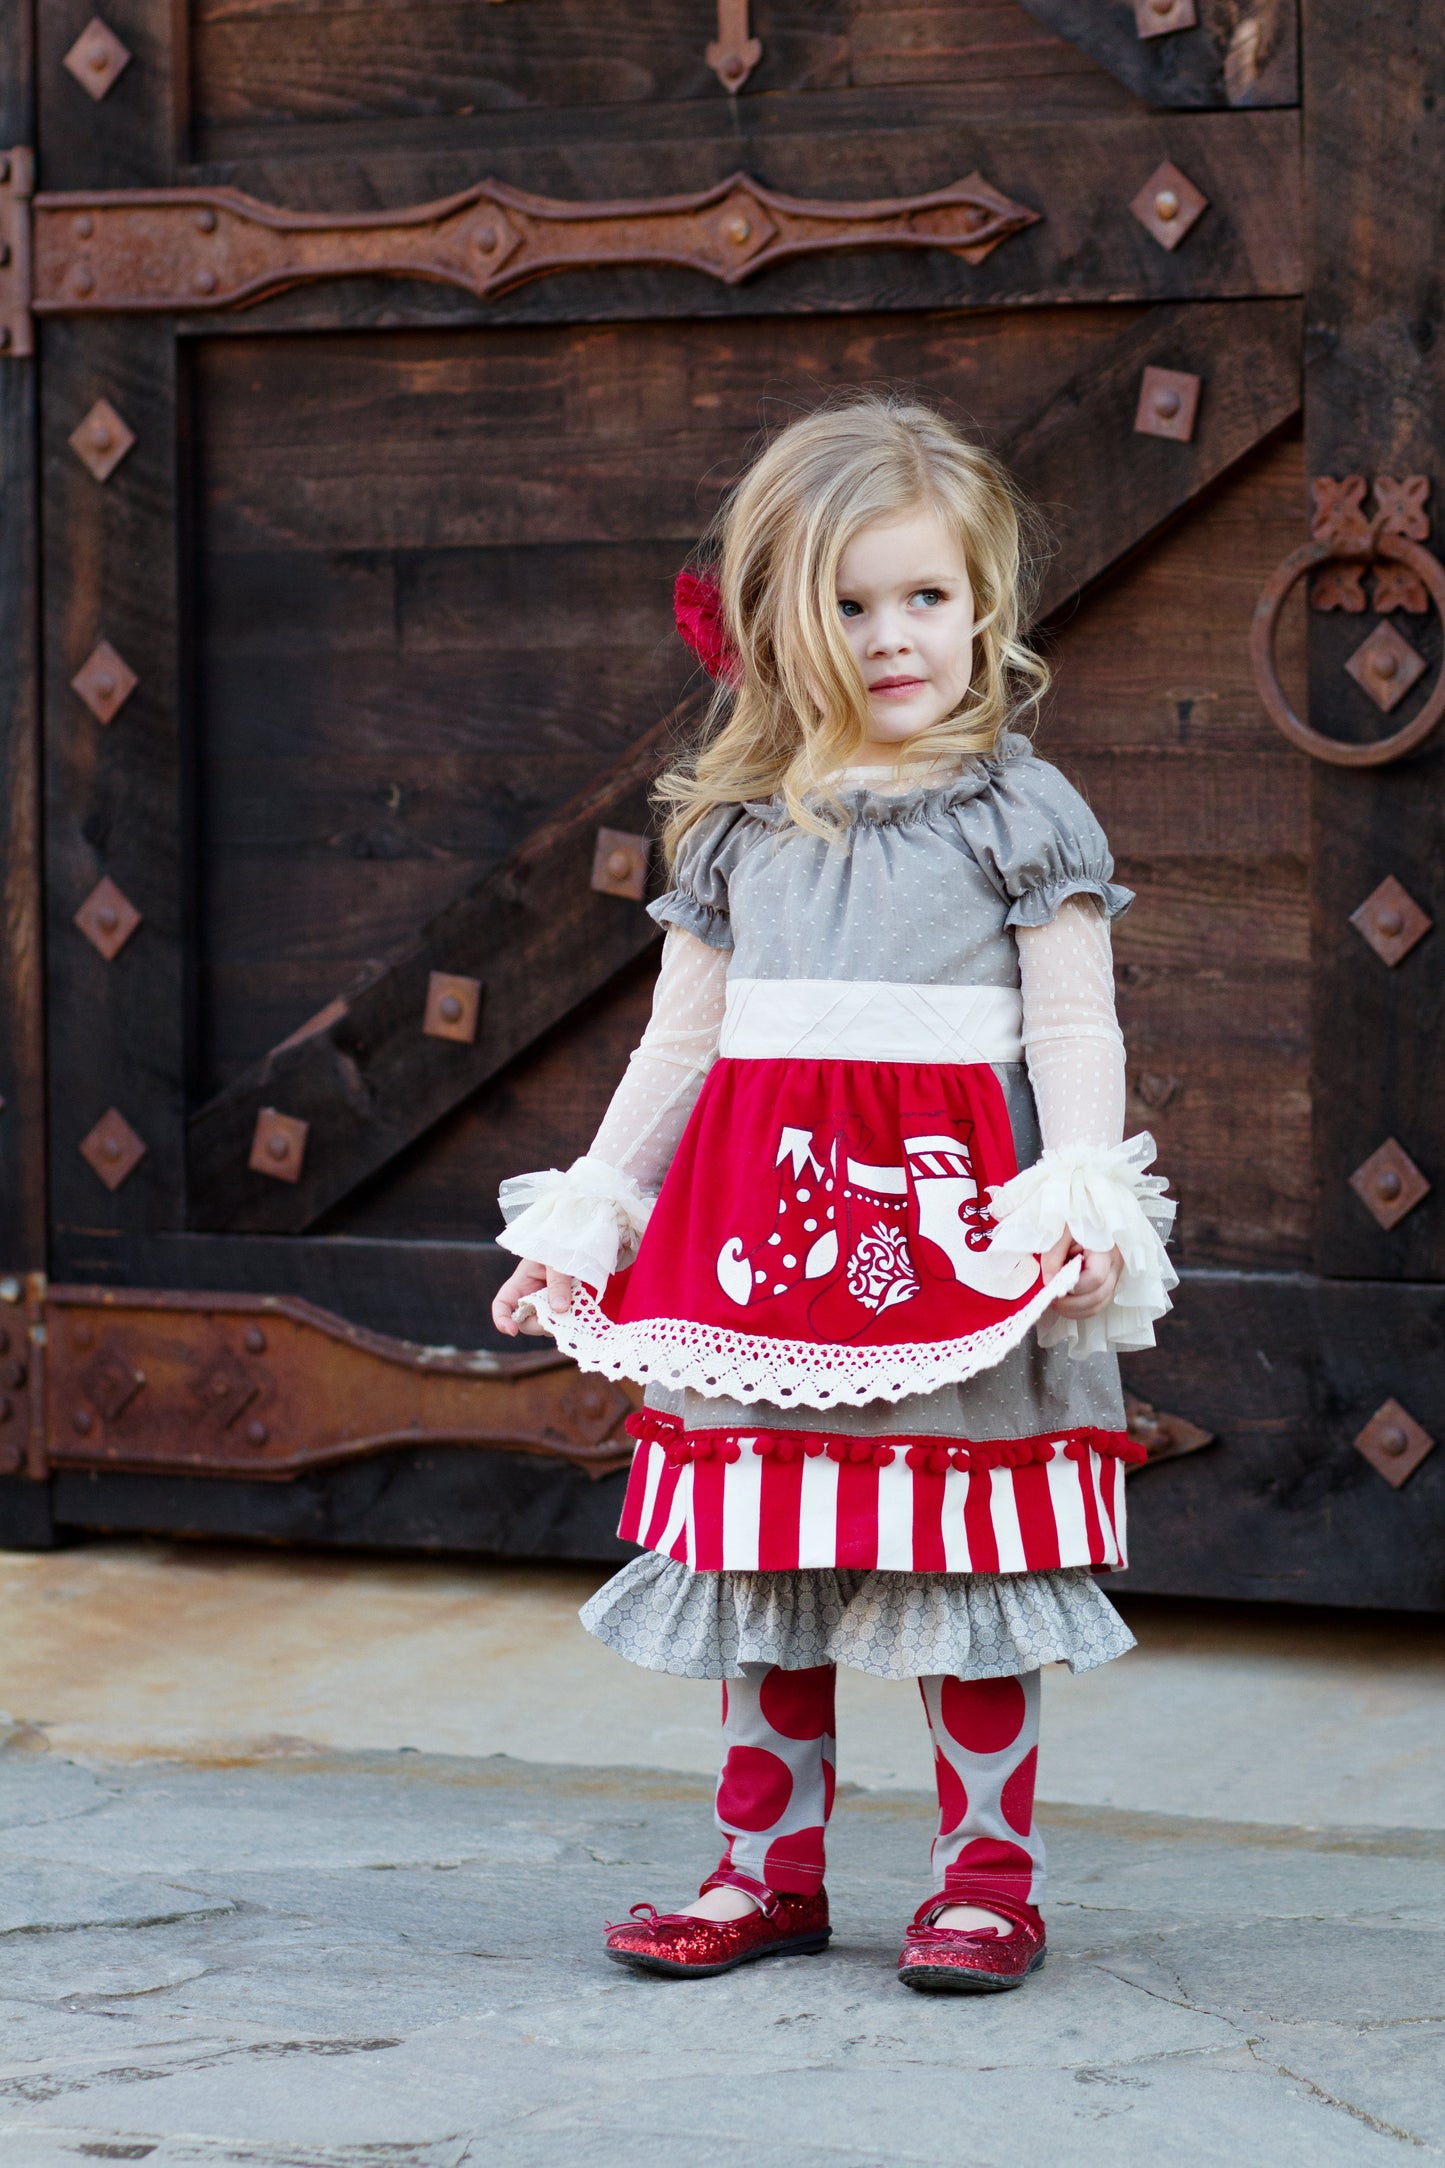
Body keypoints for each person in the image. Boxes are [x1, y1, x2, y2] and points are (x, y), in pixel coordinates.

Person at [491, 396, 1176, 1993]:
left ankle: (985, 1882)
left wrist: (1076, 1191)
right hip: (754, 1238)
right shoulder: (739, 824)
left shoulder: (1019, 809)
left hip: (945, 1234)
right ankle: (761, 1872)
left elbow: (1076, 1017)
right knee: (759, 1559)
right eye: (849, 606)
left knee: (960, 1566)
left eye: (923, 598)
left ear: (981, 602)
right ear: (783, 623)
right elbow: (681, 1037)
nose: (891, 638)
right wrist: (591, 1209)